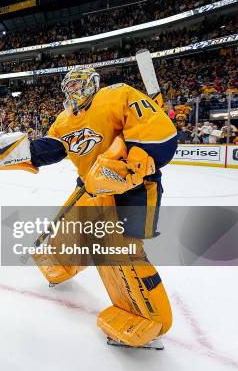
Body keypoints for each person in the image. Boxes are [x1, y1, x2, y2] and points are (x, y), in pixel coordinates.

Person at [27, 67, 177, 348]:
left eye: (79, 84)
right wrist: (23, 151)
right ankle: (64, 263)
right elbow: (52, 147)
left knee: (122, 251)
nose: (73, 90)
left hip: (131, 190)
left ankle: (147, 315)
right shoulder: (64, 119)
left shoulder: (117, 95)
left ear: (94, 83)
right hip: (90, 187)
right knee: (70, 229)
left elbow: (158, 134)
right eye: (68, 85)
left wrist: (131, 165)